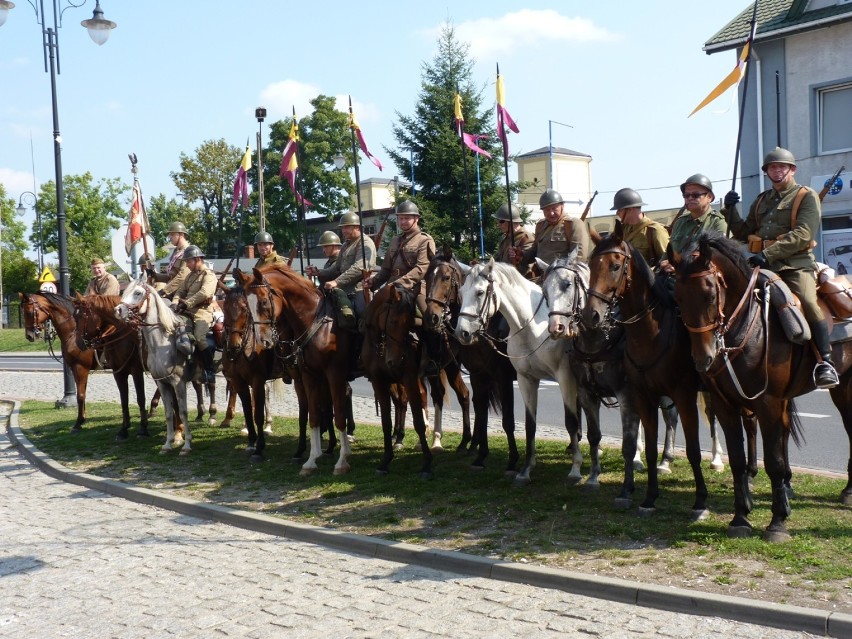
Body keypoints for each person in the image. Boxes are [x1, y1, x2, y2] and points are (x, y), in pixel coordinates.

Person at [722, 147, 839, 388]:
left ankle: (824, 362)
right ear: (767, 172)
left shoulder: (806, 196)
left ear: (792, 169)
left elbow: (803, 234)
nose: (776, 171)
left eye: (781, 167)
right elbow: (744, 234)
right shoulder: (762, 200)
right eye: (772, 168)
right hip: (764, 266)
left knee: (807, 302)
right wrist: (730, 210)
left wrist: (767, 253)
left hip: (795, 265)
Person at [363, 200, 439, 375]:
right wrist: (373, 282)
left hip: (415, 288)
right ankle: (370, 356)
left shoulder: (424, 240)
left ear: (416, 219)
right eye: (401, 218)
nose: (403, 222)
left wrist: (398, 283)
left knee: (430, 319)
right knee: (369, 316)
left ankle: (434, 359)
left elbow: (422, 269)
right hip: (392, 288)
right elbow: (386, 270)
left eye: (407, 218)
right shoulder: (395, 241)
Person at [306, 213, 376, 330]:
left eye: (346, 227)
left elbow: (359, 268)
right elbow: (336, 268)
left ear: (357, 227)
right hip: (343, 291)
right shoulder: (345, 245)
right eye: (342, 227)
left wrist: (336, 282)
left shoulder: (365, 243)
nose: (343, 230)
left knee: (363, 315)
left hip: (359, 289)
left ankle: (367, 343)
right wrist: (318, 272)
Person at [509, 189, 592, 279]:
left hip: (565, 279)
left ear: (562, 206)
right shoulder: (540, 226)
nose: (551, 213)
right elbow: (534, 252)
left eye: (554, 208)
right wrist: (521, 255)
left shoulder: (574, 224)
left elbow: (579, 256)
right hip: (542, 277)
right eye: (546, 210)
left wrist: (562, 274)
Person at [659, 174, 727, 273]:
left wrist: (680, 265)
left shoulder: (717, 221)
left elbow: (717, 257)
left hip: (700, 278)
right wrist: (663, 264)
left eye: (695, 195)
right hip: (673, 275)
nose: (690, 198)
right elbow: (670, 250)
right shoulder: (680, 222)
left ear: (709, 197)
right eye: (686, 195)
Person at [170, 245, 218, 383]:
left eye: (189, 261)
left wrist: (187, 303)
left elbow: (205, 293)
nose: (187, 264)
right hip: (187, 311)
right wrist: (174, 302)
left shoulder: (209, 275)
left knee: (199, 337)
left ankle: (209, 370)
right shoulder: (190, 276)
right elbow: (180, 291)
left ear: (197, 260)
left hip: (202, 312)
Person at [609, 188, 669, 267]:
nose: (617, 213)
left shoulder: (655, 230)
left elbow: (668, 261)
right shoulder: (621, 231)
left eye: (620, 210)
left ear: (630, 209)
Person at [146, 221, 190, 299]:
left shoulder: (188, 251)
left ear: (181, 235)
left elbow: (182, 277)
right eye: (170, 234)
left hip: (182, 294)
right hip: (172, 291)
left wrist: (164, 291)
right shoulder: (176, 251)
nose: (170, 237)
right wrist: (155, 275)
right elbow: (170, 277)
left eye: (172, 234)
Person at [493, 203, 534, 278]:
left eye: (501, 221)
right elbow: (496, 260)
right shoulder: (504, 238)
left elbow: (525, 268)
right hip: (502, 279)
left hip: (519, 283)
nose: (498, 225)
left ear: (511, 222)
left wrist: (518, 256)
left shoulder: (526, 239)